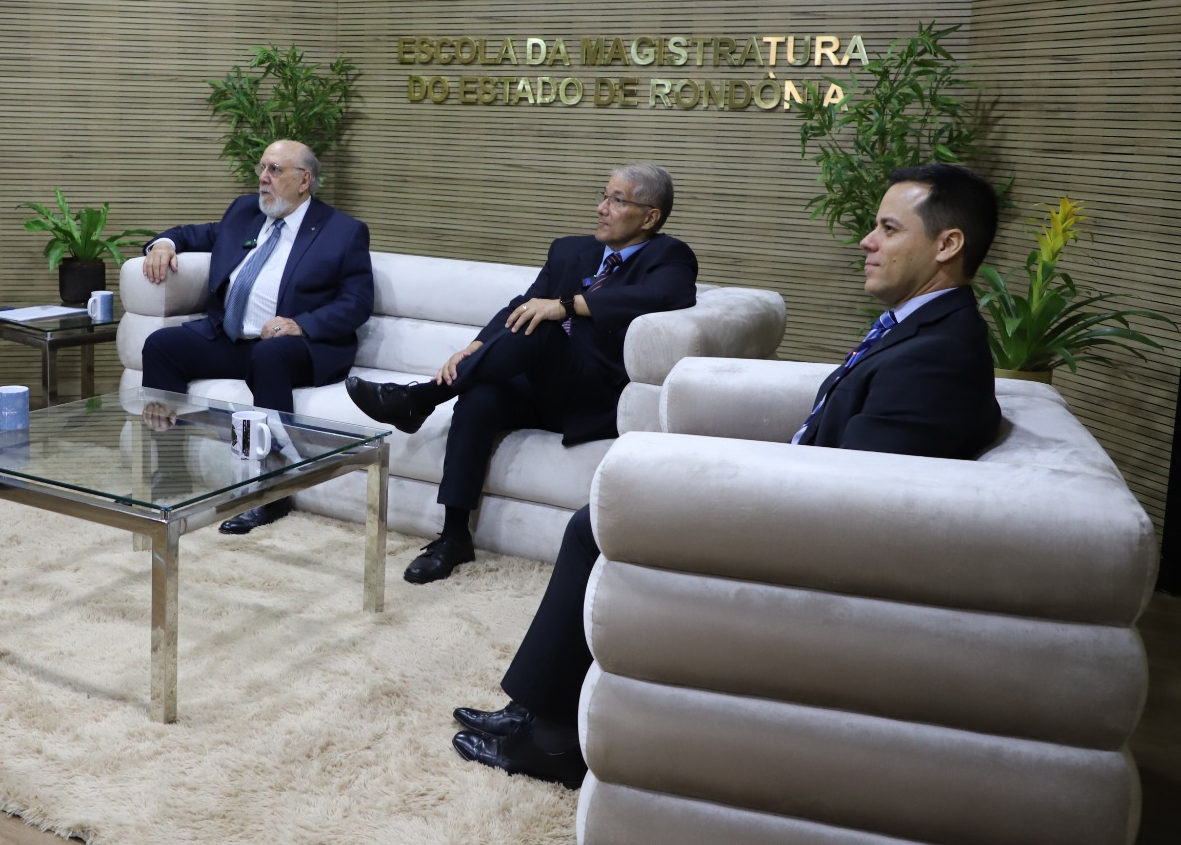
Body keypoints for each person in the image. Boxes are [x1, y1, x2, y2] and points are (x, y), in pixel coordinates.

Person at [450, 163, 1003, 789]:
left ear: (947, 244)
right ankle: (535, 710)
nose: (866, 241)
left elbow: (859, 501)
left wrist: (734, 486)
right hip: (795, 494)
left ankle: (551, 741)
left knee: (595, 524)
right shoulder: (924, 326)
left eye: (888, 229)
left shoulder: (939, 356)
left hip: (799, 536)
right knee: (598, 514)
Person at [346, 164, 697, 584]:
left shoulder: (669, 257)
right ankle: (454, 536)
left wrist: (567, 305)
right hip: (541, 387)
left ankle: (420, 399)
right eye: (603, 196)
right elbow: (523, 304)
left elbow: (663, 295)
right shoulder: (569, 250)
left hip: (594, 391)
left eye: (617, 201)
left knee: (544, 324)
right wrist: (476, 346)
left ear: (650, 216)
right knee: (480, 395)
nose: (601, 208)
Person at [140, 139, 374, 534]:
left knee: (269, 356)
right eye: (262, 168)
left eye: (275, 170)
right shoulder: (245, 212)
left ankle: (269, 493)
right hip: (233, 339)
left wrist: (301, 324)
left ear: (304, 180)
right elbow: (194, 234)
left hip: (299, 347)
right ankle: (172, 473)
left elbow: (357, 302)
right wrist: (163, 244)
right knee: (162, 346)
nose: (263, 178)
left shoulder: (342, 231)